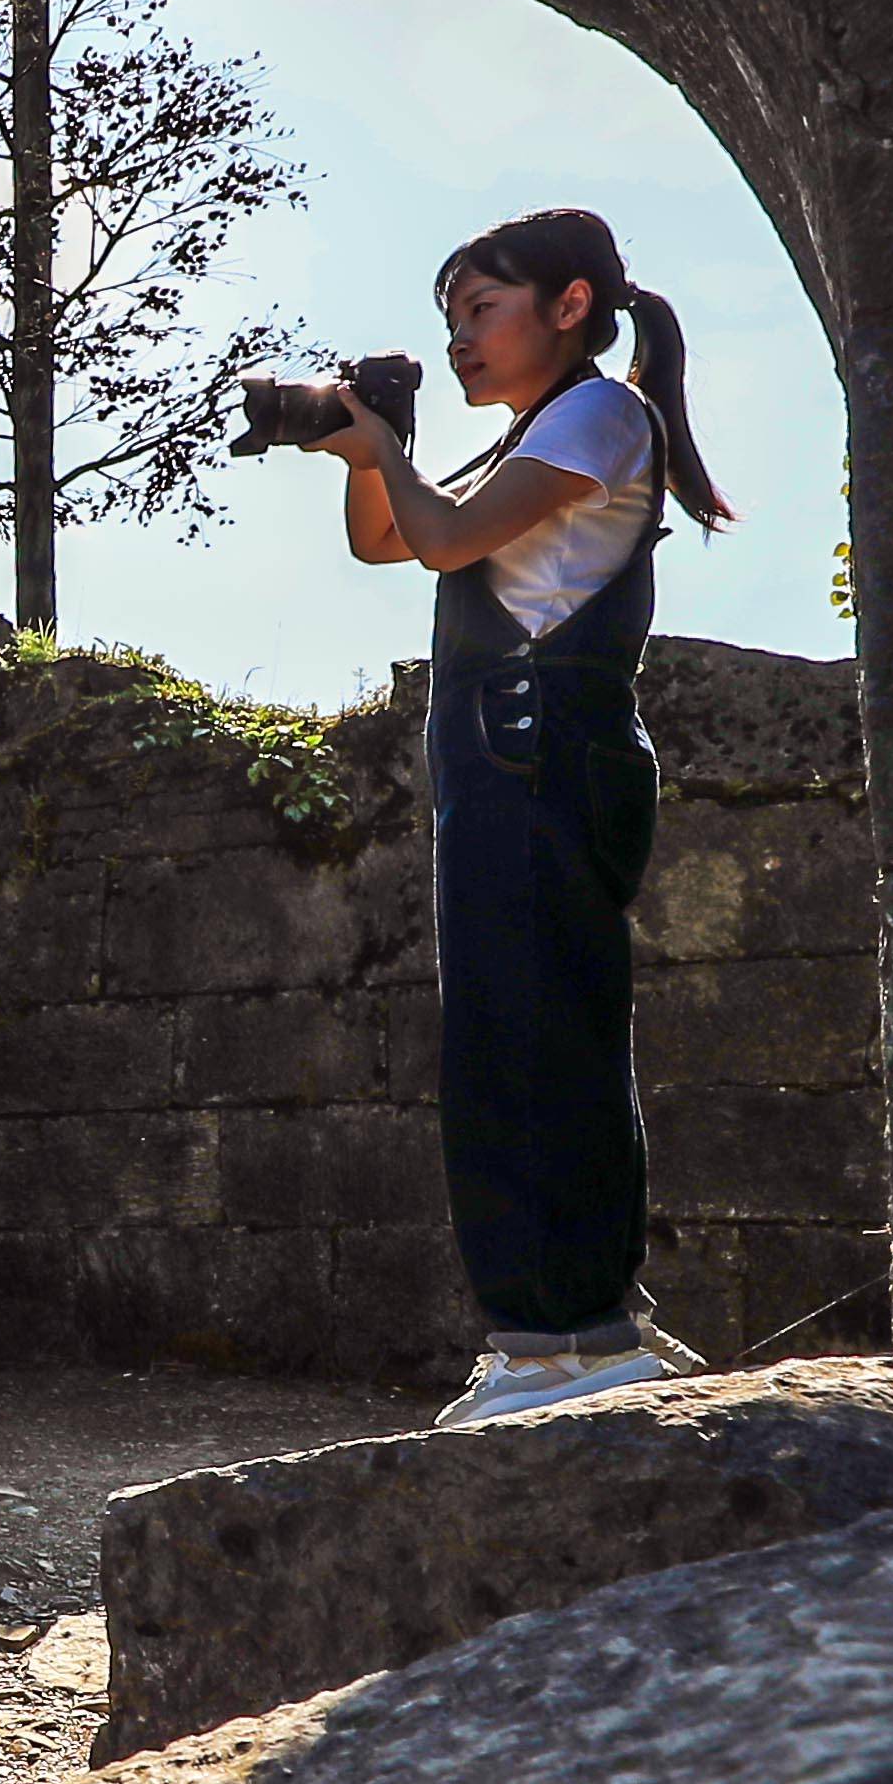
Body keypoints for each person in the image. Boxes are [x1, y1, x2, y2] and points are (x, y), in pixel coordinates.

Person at [308, 206, 739, 1429]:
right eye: (449, 320)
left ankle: (569, 1337)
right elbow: (387, 542)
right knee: (510, 1040)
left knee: (540, 1038)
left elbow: (439, 541)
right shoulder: (534, 440)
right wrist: (368, 454)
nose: (460, 341)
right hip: (511, 757)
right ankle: (557, 1330)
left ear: (569, 306)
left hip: (543, 749)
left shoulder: (600, 414)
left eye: (481, 309)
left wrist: (392, 452)